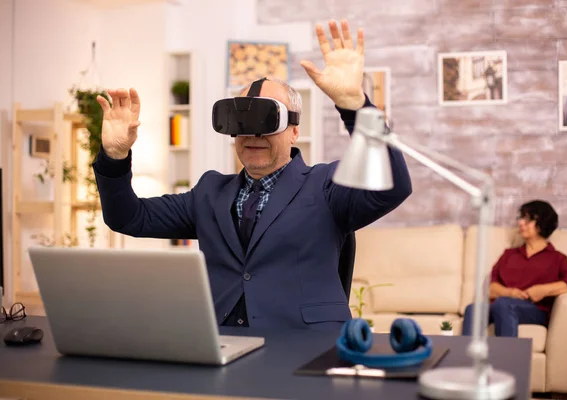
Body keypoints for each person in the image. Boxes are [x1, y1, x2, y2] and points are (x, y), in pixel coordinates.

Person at [92, 20, 412, 331]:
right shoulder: (209, 192)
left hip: (306, 349)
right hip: (223, 346)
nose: (254, 134)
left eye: (268, 119)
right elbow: (129, 218)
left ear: (294, 131)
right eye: (242, 121)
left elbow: (392, 187)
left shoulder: (327, 187)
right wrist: (115, 156)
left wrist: (355, 105)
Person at [461, 200, 567, 337]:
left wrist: (543, 290)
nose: (521, 223)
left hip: (535, 310)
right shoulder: (509, 254)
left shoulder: (556, 258)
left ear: (542, 224)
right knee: (473, 309)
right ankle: (465, 358)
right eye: (521, 218)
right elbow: (491, 288)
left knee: (504, 304)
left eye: (527, 219)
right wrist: (510, 292)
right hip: (502, 304)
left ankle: (508, 357)